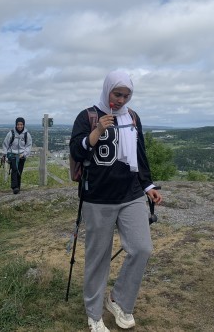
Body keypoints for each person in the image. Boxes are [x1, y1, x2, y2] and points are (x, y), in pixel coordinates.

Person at [69, 70, 163, 332]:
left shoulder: (132, 118)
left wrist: (148, 185)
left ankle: (118, 300)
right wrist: (98, 129)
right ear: (107, 90)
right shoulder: (87, 116)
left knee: (142, 248)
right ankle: (94, 313)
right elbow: (77, 151)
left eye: (126, 95)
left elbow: (140, 155)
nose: (121, 100)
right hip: (97, 197)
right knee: (98, 258)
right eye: (117, 94)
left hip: (131, 194)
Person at [1, 117, 32, 194]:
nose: (19, 126)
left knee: (19, 171)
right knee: (14, 169)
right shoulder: (11, 133)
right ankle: (14, 187)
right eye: (18, 124)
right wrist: (4, 154)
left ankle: (18, 187)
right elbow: (5, 144)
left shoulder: (26, 134)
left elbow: (28, 146)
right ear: (16, 125)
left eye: (21, 124)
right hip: (12, 154)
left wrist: (23, 154)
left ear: (23, 125)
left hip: (22, 155)